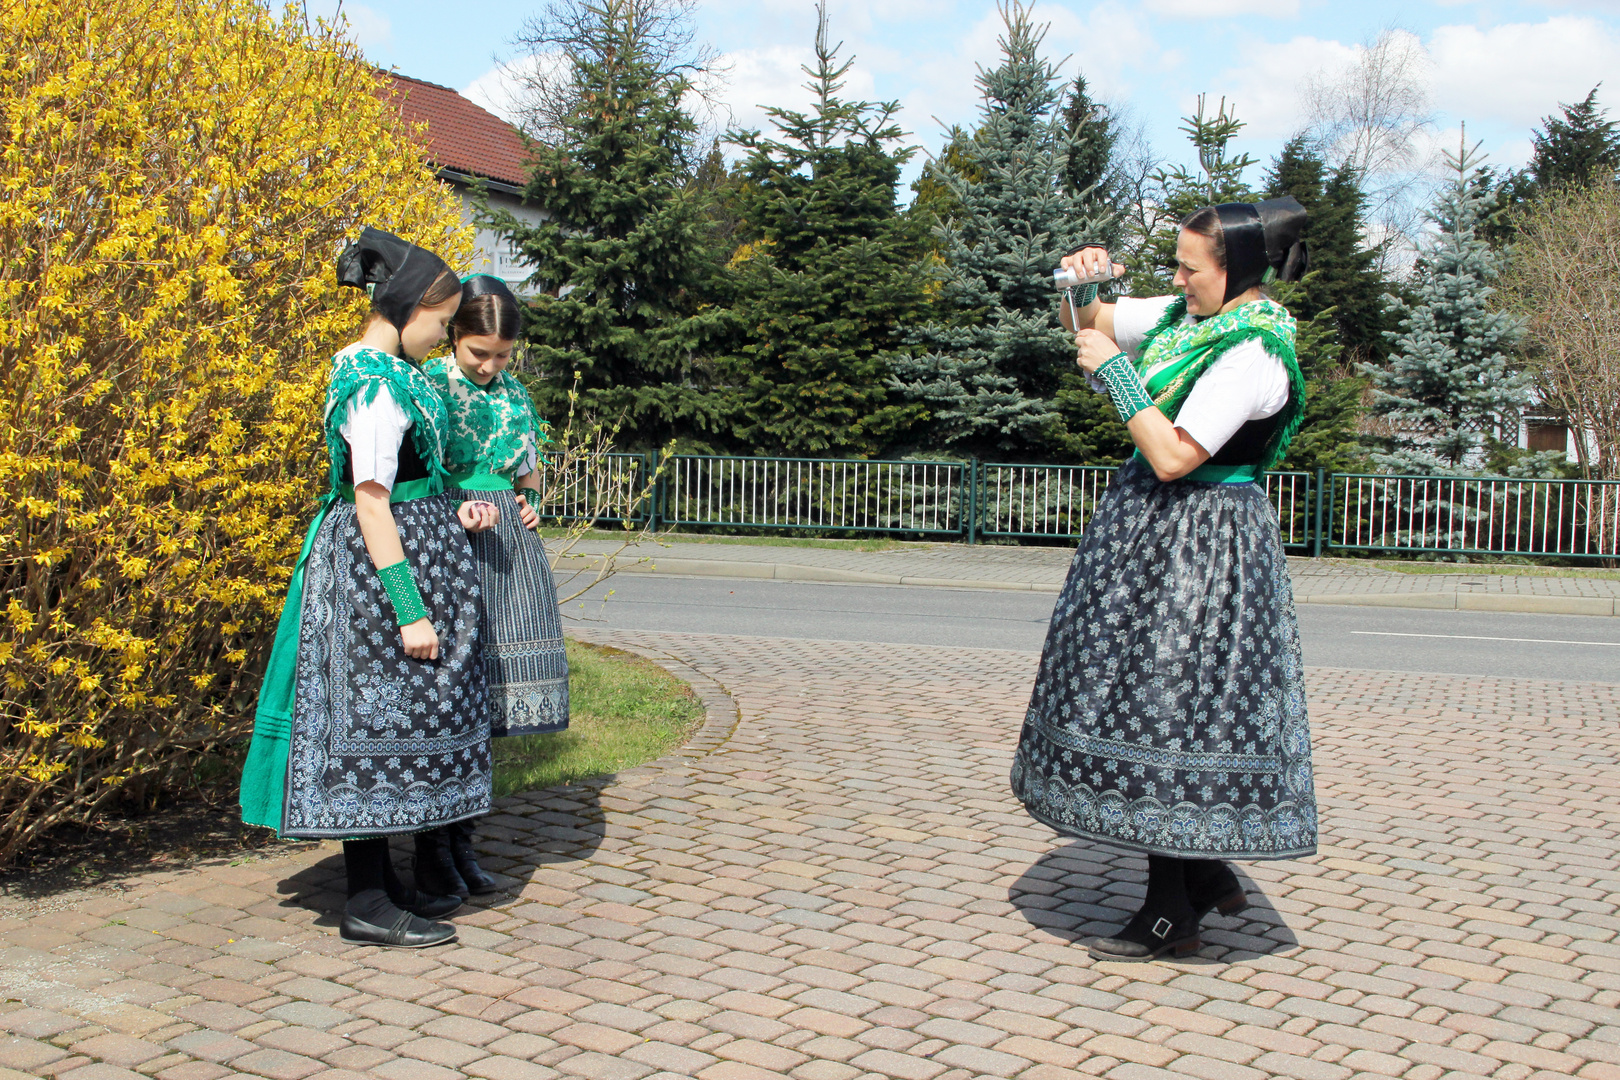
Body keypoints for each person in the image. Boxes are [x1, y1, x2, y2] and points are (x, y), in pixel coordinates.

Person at [1010, 198, 1318, 961]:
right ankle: (1203, 873)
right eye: (1177, 265)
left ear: (1237, 271)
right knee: (1140, 697)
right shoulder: (1193, 320)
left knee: (1172, 704)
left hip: (1207, 544)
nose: (1178, 279)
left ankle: (1171, 909)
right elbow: (1093, 325)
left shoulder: (1254, 352)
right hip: (1154, 537)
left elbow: (1175, 454)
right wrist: (1081, 284)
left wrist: (1116, 378)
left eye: (1191, 267)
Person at [239, 227, 499, 948]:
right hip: (372, 575)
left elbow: (415, 482)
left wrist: (456, 512)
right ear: (411, 308)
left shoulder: (392, 374)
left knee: (394, 722)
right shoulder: (374, 384)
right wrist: (410, 611)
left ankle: (386, 885)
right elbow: (372, 499)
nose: (443, 335)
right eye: (442, 323)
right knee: (370, 723)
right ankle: (365, 902)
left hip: (401, 557)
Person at [414, 273, 571, 897]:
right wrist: (451, 509)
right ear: (454, 337)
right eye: (479, 352)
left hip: (508, 553)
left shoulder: (516, 396)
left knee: (491, 705)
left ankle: (464, 842)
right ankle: (435, 846)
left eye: (502, 355)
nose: (489, 365)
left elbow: (530, 472)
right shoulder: (427, 387)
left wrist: (533, 501)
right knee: (451, 698)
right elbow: (413, 476)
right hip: (448, 544)